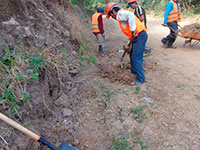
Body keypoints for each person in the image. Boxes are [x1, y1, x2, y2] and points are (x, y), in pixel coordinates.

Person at [106, 3, 147, 85]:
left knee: (136, 58)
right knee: (132, 54)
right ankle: (134, 70)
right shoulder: (120, 18)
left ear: (113, 11)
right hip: (136, 37)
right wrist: (128, 44)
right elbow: (130, 34)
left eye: (111, 15)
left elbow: (131, 15)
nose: (112, 17)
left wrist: (133, 30)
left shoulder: (120, 14)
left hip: (140, 35)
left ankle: (140, 79)